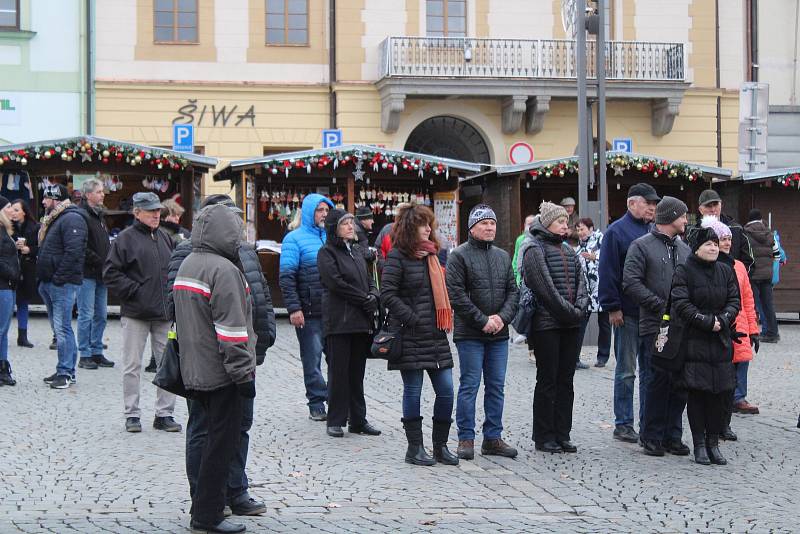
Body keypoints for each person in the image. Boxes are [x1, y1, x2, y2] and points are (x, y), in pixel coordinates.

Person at [166, 193, 275, 517]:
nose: (238, 230)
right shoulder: (196, 257)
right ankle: (206, 499)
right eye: (233, 224)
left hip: (239, 357)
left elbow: (260, 295)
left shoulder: (241, 255)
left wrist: (263, 336)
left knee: (237, 429)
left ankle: (233, 491)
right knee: (207, 431)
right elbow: (177, 307)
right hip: (216, 364)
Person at [380, 204, 457, 466]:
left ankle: (440, 446)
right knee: (413, 390)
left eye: (430, 224)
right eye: (423, 224)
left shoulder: (433, 255)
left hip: (435, 335)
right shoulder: (398, 256)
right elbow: (387, 293)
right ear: (411, 227)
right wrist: (412, 318)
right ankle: (415, 448)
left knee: (446, 390)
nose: (428, 229)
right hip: (410, 334)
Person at [446, 204, 519, 461]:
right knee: (470, 385)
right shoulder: (459, 256)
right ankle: (466, 437)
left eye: (492, 223)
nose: (489, 227)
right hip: (470, 334)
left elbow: (513, 291)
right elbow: (456, 295)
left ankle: (493, 438)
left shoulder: (502, 256)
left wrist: (501, 318)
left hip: (498, 334)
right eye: (484, 223)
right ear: (472, 227)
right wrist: (482, 321)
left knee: (496, 386)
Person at [103, 192, 180, 433]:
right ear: (137, 213)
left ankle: (164, 414)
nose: (157, 214)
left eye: (158, 210)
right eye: (151, 211)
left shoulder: (166, 238)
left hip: (163, 314)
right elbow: (110, 274)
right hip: (135, 313)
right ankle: (132, 415)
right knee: (132, 366)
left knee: (168, 365)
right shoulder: (124, 239)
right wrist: (135, 291)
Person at [622, 197, 691, 457]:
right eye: (683, 215)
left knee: (678, 383)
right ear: (670, 216)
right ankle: (651, 435)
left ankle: (673, 435)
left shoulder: (684, 249)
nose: (686, 220)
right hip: (654, 326)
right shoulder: (641, 246)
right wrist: (660, 305)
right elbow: (630, 282)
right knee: (656, 381)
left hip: (681, 326)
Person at [522, 202, 588, 453]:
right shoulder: (534, 249)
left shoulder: (569, 251)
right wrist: (570, 312)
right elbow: (545, 290)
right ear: (547, 222)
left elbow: (582, 284)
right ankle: (544, 435)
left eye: (565, 221)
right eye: (560, 221)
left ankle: (562, 432)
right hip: (547, 325)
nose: (565, 225)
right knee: (548, 380)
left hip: (570, 324)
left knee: (566, 380)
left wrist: (579, 308)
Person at [671, 226, 740, 466]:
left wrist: (724, 320)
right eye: (707, 244)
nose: (713, 247)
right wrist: (706, 322)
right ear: (697, 247)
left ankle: (714, 443)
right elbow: (681, 303)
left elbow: (734, 300)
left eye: (715, 243)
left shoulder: (725, 270)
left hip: (720, 341)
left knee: (719, 394)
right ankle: (700, 445)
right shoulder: (685, 270)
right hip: (694, 340)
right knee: (698, 394)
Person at [598, 183, 659, 443]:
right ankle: (623, 423)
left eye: (654, 204)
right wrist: (612, 306)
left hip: (650, 313)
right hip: (626, 312)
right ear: (632, 203)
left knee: (649, 370)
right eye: (648, 203)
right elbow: (608, 271)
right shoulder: (616, 232)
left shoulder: (654, 231)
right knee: (626, 371)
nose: (652, 208)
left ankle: (647, 421)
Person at [317, 208, 381, 438]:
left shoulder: (356, 251)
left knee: (357, 373)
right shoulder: (326, 253)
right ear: (334, 228)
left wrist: (374, 295)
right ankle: (335, 419)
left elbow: (369, 277)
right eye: (345, 224)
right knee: (339, 372)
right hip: (340, 321)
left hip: (360, 321)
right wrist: (363, 299)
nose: (350, 227)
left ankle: (358, 420)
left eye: (351, 223)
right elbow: (336, 283)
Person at [702, 216, 760, 443]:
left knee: (732, 383)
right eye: (722, 239)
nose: (727, 243)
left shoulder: (739, 267)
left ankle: (725, 424)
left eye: (728, 239)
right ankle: (714, 424)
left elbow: (748, 299)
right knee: (719, 381)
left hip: (741, 328)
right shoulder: (711, 265)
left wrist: (753, 329)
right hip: (720, 326)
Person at [279, 193, 335, 421]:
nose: (323, 214)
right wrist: (294, 308)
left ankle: (337, 399)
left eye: (326, 210)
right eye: (319, 210)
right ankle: (316, 402)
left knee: (337, 360)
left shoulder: (333, 238)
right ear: (310, 212)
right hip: (309, 311)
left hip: (334, 312)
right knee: (312, 361)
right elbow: (287, 277)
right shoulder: (294, 239)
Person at [38, 184, 88, 390]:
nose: (42, 202)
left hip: (62, 283)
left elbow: (73, 252)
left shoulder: (71, 218)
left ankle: (66, 373)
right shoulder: (57, 218)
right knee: (60, 328)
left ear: (55, 198)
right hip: (52, 281)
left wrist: (58, 278)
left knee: (63, 328)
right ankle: (64, 369)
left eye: (46, 198)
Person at [76, 178, 113, 371]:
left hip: (101, 273)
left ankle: (97, 350)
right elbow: (81, 246)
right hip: (87, 273)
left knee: (101, 315)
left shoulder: (99, 215)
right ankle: (85, 354)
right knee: (86, 315)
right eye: (99, 192)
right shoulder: (81, 215)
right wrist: (101, 260)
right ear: (89, 194)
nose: (103, 194)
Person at [575, 217, 610, 369]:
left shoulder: (601, 239)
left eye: (582, 229)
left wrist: (594, 257)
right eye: (577, 230)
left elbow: (609, 258)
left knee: (604, 324)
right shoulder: (580, 245)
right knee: (580, 323)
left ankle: (603, 357)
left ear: (590, 228)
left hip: (601, 288)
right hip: (585, 291)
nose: (579, 232)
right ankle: (575, 357)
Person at [743, 209, 780, 343]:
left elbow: (744, 253)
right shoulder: (770, 233)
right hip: (767, 275)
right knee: (768, 304)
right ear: (760, 218)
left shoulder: (746, 233)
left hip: (753, 274)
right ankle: (772, 333)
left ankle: (753, 331)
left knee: (752, 304)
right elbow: (777, 254)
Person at [696, 189, 753, 270]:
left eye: (715, 205)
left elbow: (749, 261)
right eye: (708, 206)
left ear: (721, 205)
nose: (713, 209)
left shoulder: (736, 229)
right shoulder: (694, 231)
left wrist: (738, 278)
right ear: (700, 210)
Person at [8, 199, 39, 349]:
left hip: (27, 269)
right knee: (7, 303)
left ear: (24, 212)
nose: (13, 213)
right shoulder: (6, 227)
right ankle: (3, 334)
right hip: (9, 269)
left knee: (23, 303)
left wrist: (29, 250)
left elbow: (42, 248)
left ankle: (23, 336)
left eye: (16, 210)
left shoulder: (34, 228)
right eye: (12, 210)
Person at [0, 198, 20, 386]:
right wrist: (11, 272)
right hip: (2, 286)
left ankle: (3, 367)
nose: (12, 211)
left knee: (4, 331)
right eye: (8, 208)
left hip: (8, 286)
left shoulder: (6, 232)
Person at [511, 214, 536, 287]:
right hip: (520, 279)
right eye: (529, 224)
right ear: (525, 225)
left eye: (533, 224)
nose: (530, 226)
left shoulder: (539, 238)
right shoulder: (520, 239)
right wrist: (515, 278)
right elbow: (516, 259)